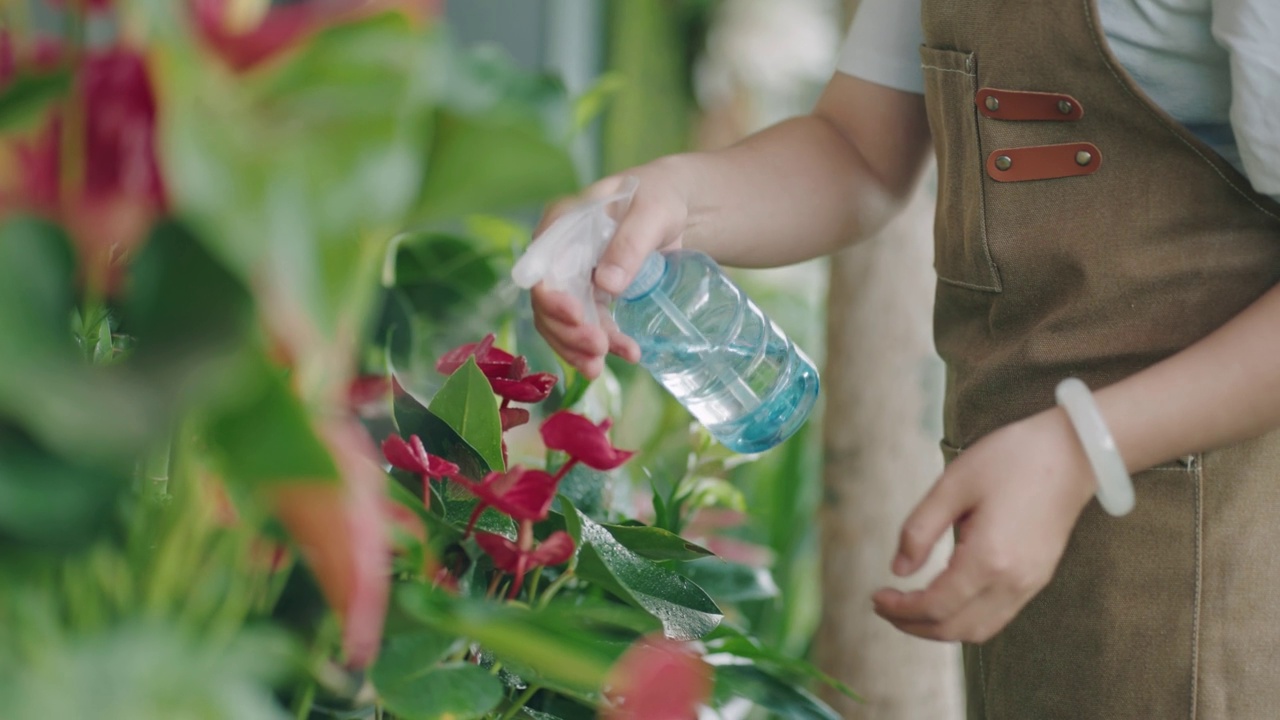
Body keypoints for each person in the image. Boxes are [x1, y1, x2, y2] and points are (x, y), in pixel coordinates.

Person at [530, 0, 1280, 717]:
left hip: (1218, 540)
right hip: (1026, 506)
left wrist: (1084, 445)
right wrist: (667, 198)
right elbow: (858, 149)